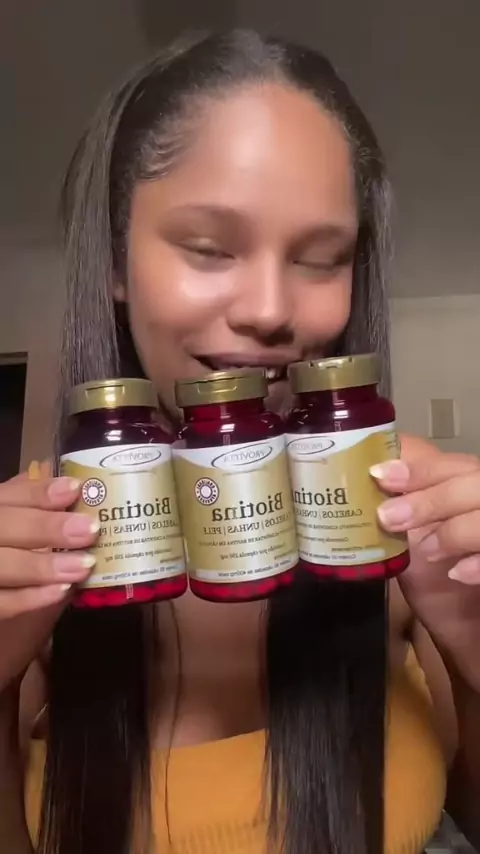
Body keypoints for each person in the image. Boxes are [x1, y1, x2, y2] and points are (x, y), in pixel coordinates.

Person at [1, 30, 479, 854]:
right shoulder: (42, 553)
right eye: (209, 249)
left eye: (323, 259)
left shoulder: (394, 516)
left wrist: (476, 661)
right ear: (115, 259)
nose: (269, 310)